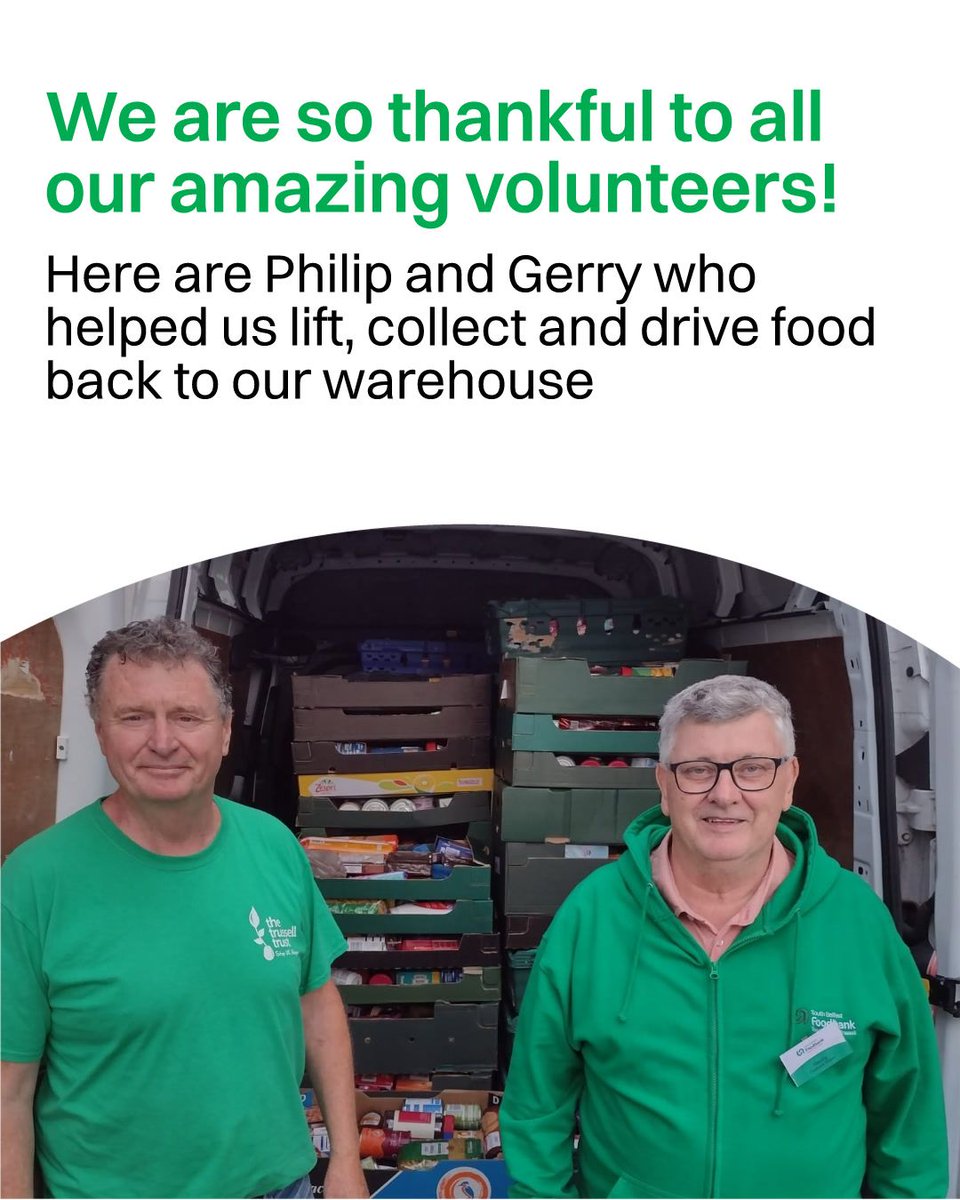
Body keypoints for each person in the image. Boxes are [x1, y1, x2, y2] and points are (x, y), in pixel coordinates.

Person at [499, 675, 948, 1198]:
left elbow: (909, 1117)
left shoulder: (857, 922)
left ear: (789, 782)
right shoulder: (591, 916)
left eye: (753, 768)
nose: (725, 794)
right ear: (664, 786)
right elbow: (537, 1105)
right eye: (697, 770)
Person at [1, 617, 368, 1199]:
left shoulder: (273, 845)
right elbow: (9, 1091)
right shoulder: (34, 881)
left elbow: (316, 1004)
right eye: (133, 717)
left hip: (277, 1187)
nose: (163, 741)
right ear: (99, 732)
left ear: (225, 732)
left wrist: (346, 1162)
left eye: (187, 717)